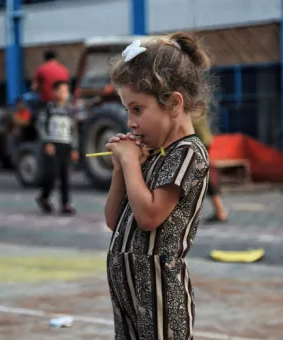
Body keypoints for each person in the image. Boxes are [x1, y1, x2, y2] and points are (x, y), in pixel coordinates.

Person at [103, 33, 212, 339]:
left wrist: (130, 164)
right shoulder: (152, 154)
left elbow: (149, 216)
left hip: (159, 291)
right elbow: (114, 220)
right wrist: (119, 171)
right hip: (129, 289)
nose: (130, 123)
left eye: (137, 109)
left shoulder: (188, 154)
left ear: (174, 103)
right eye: (127, 110)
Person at [35, 81, 79, 215]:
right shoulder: (48, 109)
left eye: (66, 91)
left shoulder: (69, 110)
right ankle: (44, 196)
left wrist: (74, 148)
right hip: (52, 145)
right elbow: (41, 126)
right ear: (54, 92)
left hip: (66, 145)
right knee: (52, 174)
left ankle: (65, 204)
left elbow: (74, 130)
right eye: (61, 90)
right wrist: (46, 142)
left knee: (65, 176)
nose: (65, 94)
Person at [193, 114, 229, 223]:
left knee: (201, 175)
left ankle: (220, 211)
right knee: (199, 175)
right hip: (202, 140)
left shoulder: (189, 102)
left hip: (199, 141)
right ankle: (220, 210)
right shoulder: (194, 101)